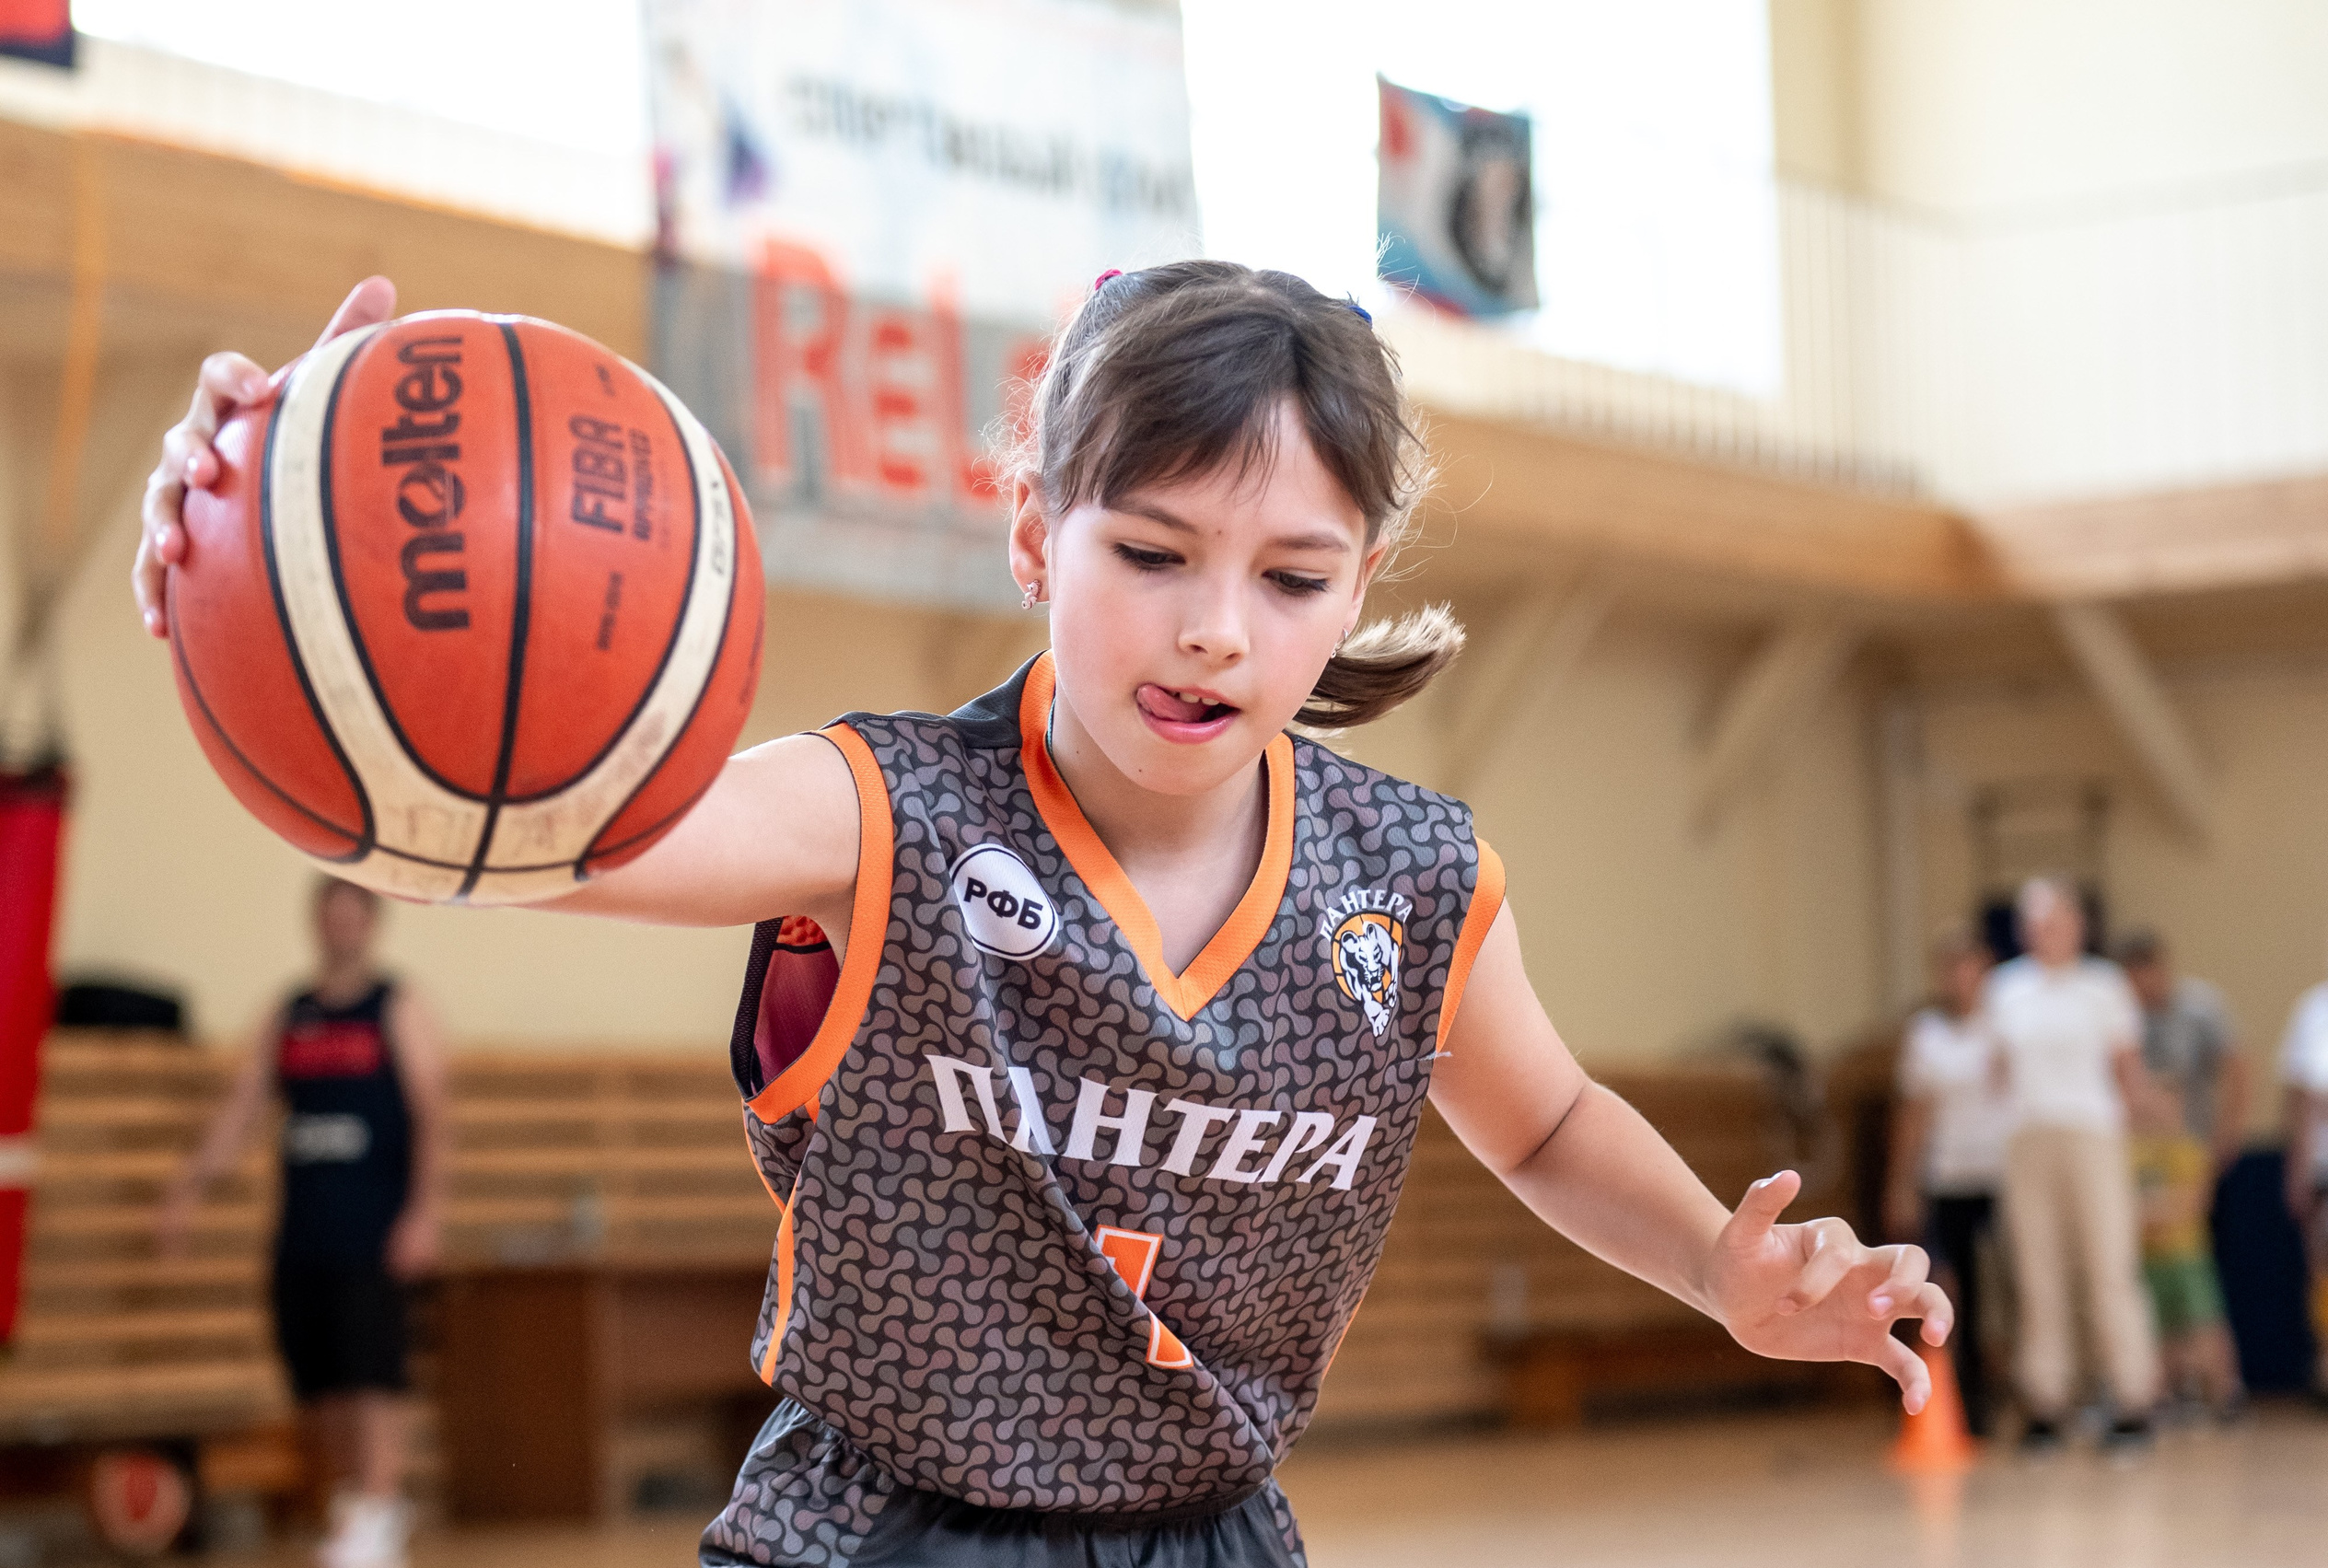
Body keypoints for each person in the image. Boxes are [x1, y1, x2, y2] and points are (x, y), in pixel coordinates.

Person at [134, 265, 1950, 1568]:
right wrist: (272, 586)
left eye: (1290, 575)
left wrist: (1717, 1259)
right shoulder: (877, 810)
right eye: (1148, 552)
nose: (1213, 627)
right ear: (1031, 534)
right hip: (879, 1524)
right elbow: (555, 837)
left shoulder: (1412, 874)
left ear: (1355, 589)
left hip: (1212, 1527)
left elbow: (1540, 1117)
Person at [159, 877, 447, 1568]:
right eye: (329, 914)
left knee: (372, 1376)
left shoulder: (395, 1007)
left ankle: (379, 1510)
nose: (338, 927)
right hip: (303, 1227)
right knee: (318, 1383)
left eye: (351, 915)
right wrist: (189, 1184)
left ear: (369, 925)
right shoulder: (289, 1013)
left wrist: (424, 1212)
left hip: (372, 1224)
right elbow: (243, 1106)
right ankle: (360, 1503)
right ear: (316, 923)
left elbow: (433, 1115)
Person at [1983, 877, 2161, 1452]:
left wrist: (2140, 1149)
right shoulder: (2005, 989)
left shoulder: (2103, 987)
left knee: (2108, 1265)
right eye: (2031, 922)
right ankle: (2047, 1400)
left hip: (2093, 1137)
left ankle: (2132, 1399)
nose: (2042, 931)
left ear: (2077, 926)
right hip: (2028, 1140)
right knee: (2037, 1271)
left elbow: (2128, 1073)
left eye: (2053, 920)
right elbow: (1997, 1070)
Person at [1882, 930, 2008, 1436]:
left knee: (2003, 1295)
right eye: (1947, 966)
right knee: (1951, 1290)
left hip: (2000, 1179)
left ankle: (2014, 1396)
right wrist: (1901, 1183)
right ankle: (1958, 1401)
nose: (1957, 976)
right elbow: (1913, 1115)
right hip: (1949, 1179)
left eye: (1967, 965)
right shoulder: (1927, 1035)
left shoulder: (2005, 1026)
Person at [2124, 1073, 2243, 1418]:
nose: (2153, 1109)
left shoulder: (2190, 1151)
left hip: (2187, 1260)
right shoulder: (2127, 1154)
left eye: (2164, 1099)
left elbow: (2192, 1203)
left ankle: (2228, 1393)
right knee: (2154, 1335)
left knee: (2205, 1326)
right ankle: (2162, 1397)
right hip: (2147, 1262)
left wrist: (2149, 1211)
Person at [2115, 929, 2250, 1182]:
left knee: (2186, 1217)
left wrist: (2230, 1132)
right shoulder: (2120, 1013)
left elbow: (2238, 1069)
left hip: (2193, 1138)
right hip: (2135, 1142)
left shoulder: (2200, 1008)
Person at [2279, 960, 2328, 1404]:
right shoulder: (2316, 1011)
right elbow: (2306, 1098)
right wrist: (2297, 1168)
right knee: (2323, 1270)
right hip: (2324, 1166)